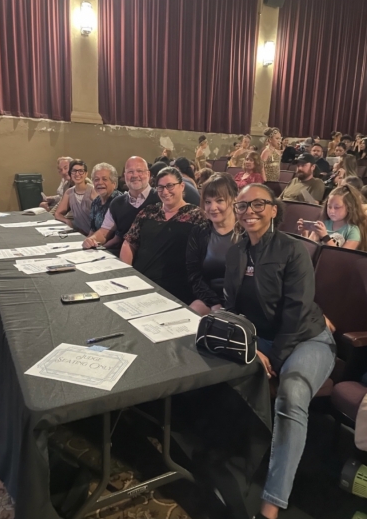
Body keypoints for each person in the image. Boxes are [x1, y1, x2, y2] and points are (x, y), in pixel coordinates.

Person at [224, 183, 336, 519]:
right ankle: (227, 464)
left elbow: (297, 312)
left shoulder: (292, 250)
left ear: (274, 210)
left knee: (291, 393)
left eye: (259, 204)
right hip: (264, 340)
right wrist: (249, 346)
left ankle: (271, 504)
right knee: (215, 366)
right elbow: (233, 309)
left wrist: (271, 357)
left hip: (307, 339)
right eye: (242, 206)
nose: (249, 211)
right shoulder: (236, 252)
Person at [120, 167, 206, 304]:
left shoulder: (197, 216)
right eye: (160, 187)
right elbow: (129, 242)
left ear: (182, 186)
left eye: (170, 186)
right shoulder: (148, 211)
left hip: (174, 288)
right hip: (139, 281)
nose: (165, 191)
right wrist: (126, 274)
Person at [83, 156, 159, 252]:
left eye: (139, 171)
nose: (135, 175)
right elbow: (104, 232)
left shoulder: (160, 199)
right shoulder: (117, 203)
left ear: (148, 174)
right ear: (125, 175)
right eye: (130, 172)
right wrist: (91, 240)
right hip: (121, 257)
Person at [187, 173, 237, 316]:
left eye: (219, 200)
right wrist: (215, 305)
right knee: (191, 316)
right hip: (209, 299)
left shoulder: (247, 233)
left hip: (241, 301)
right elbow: (194, 276)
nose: (212, 207)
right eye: (208, 202)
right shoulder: (199, 231)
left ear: (234, 199)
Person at [298, 184, 367, 251]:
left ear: (349, 208)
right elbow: (308, 251)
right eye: (329, 206)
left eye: (336, 207)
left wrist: (325, 237)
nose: (331, 211)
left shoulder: (352, 230)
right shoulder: (323, 224)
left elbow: (341, 257)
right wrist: (304, 234)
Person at [55, 160, 96, 235]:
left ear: (86, 174)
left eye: (81, 171)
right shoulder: (69, 192)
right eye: (74, 171)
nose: (77, 174)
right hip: (79, 232)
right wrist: (67, 221)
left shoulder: (93, 191)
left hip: (94, 234)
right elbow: (58, 213)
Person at [89, 163, 122, 233]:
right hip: (97, 241)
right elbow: (92, 230)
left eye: (104, 179)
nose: (100, 182)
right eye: (96, 179)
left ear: (114, 183)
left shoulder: (120, 202)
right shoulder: (95, 202)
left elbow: (119, 238)